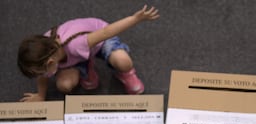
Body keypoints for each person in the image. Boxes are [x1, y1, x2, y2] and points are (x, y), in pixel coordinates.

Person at [17, 4, 159, 101]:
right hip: (76, 54)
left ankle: (125, 74)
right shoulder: (44, 50)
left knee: (123, 62)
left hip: (99, 40)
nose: (42, 76)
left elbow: (106, 32)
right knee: (64, 85)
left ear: (50, 62)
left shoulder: (75, 44)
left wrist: (135, 19)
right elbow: (42, 75)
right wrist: (41, 95)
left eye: (42, 72)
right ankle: (86, 65)